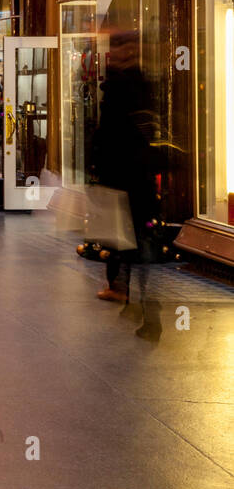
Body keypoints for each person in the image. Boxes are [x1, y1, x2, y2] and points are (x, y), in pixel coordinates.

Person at [88, 29, 159, 302]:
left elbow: (114, 131)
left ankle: (121, 286)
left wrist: (99, 160)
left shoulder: (124, 85)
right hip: (129, 170)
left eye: (127, 47)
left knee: (122, 230)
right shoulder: (131, 81)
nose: (123, 52)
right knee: (126, 229)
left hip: (124, 170)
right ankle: (123, 284)